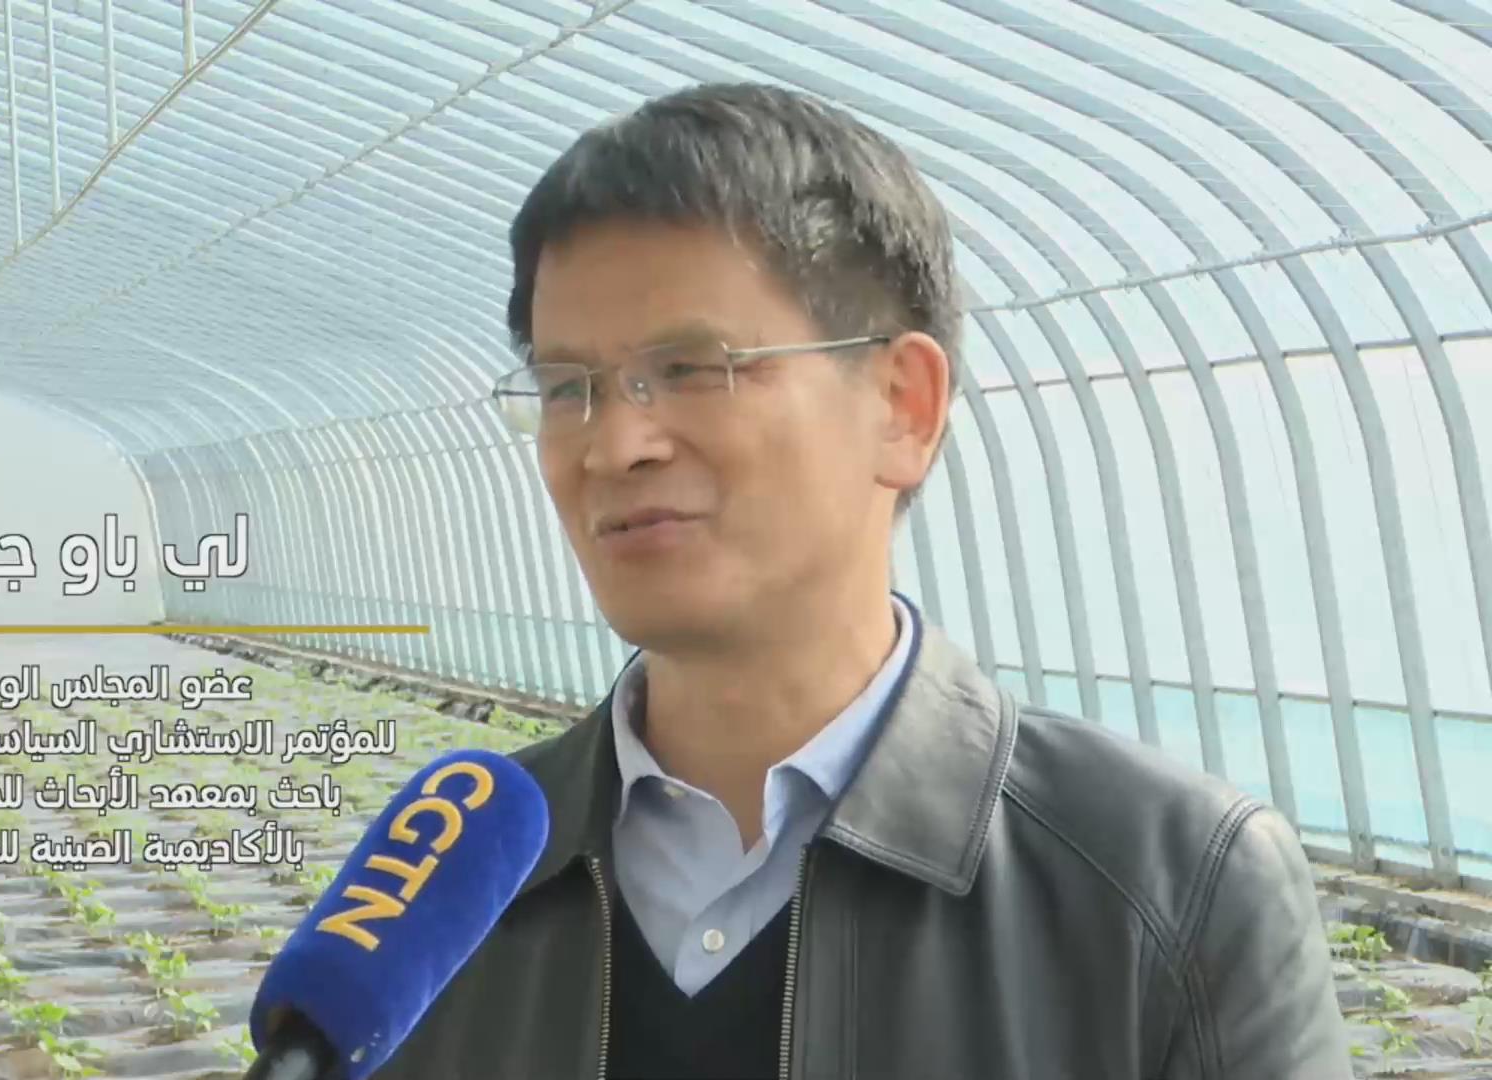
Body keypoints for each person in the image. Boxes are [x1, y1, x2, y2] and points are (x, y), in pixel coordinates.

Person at [370, 81, 1348, 1079]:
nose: (615, 444)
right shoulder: (439, 887)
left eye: (695, 368)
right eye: (566, 387)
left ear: (902, 406)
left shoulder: (1170, 887)